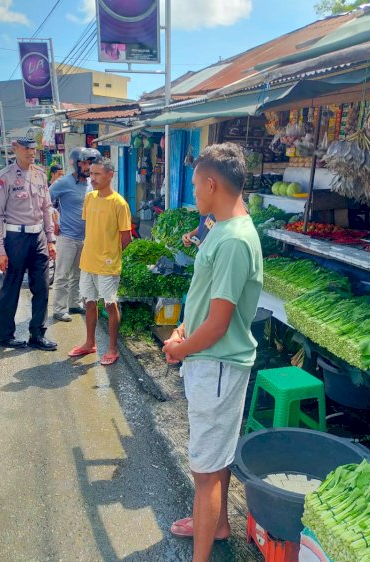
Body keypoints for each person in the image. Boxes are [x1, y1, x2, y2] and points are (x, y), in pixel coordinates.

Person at [162, 143, 263, 562]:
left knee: (204, 472)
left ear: (211, 183)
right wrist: (184, 326)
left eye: (194, 186)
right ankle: (217, 524)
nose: (193, 194)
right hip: (212, 361)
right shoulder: (221, 227)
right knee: (214, 454)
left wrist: (178, 349)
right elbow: (207, 300)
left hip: (216, 364)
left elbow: (220, 322)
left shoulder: (235, 239)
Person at [0, 127, 57, 351]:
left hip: (38, 236)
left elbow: (46, 208)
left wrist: (50, 240)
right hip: (15, 238)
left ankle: (37, 334)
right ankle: (4, 335)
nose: (31, 152)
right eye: (26, 148)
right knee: (11, 286)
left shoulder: (39, 174)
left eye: (33, 148)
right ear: (15, 148)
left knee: (42, 287)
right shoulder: (5, 177)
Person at [68, 158, 131, 366]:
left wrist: (111, 256)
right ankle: (89, 343)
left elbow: (126, 238)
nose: (91, 178)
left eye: (97, 174)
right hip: (88, 261)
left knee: (110, 305)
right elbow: (91, 228)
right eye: (91, 173)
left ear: (110, 175)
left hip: (108, 265)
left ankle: (113, 348)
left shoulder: (119, 203)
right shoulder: (90, 198)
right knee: (89, 303)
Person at [50, 147, 101, 322]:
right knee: (62, 274)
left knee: (78, 274)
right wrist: (53, 220)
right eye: (85, 163)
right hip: (67, 236)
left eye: (91, 163)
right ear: (77, 164)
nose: (88, 167)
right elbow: (45, 202)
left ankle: (73, 303)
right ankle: (58, 309)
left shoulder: (91, 183)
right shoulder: (63, 183)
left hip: (85, 237)